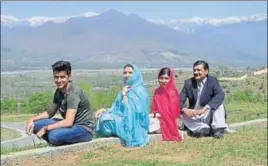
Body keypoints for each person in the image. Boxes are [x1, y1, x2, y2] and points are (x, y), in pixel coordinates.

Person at [25, 60, 95, 146]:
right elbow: (49, 113)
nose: (59, 80)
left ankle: (55, 138)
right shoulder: (59, 92)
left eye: (62, 77)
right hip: (71, 125)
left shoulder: (73, 93)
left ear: (69, 77)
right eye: (56, 77)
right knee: (35, 125)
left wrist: (46, 128)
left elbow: (68, 122)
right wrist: (31, 119)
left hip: (83, 129)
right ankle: (58, 137)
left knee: (54, 136)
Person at [95, 64, 150, 147]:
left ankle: (124, 132)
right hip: (121, 118)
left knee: (105, 120)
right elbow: (116, 108)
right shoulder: (126, 88)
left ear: (136, 74)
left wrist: (124, 95)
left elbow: (131, 110)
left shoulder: (140, 91)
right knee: (102, 117)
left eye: (130, 72)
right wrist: (104, 109)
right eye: (125, 73)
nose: (127, 75)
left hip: (134, 124)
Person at [180, 60, 228, 138]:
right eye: (194, 70)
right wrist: (184, 109)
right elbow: (179, 100)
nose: (195, 72)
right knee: (178, 110)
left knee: (219, 104)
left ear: (206, 71)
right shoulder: (188, 83)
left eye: (198, 70)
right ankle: (201, 128)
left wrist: (205, 108)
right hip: (194, 114)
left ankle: (218, 130)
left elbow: (220, 95)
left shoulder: (212, 81)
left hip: (207, 112)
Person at [150, 67, 183, 142]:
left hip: (170, 121)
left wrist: (156, 115)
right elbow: (154, 109)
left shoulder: (173, 92)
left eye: (166, 78)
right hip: (158, 119)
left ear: (170, 79)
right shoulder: (157, 91)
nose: (163, 81)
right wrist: (154, 115)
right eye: (161, 78)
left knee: (151, 126)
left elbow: (172, 113)